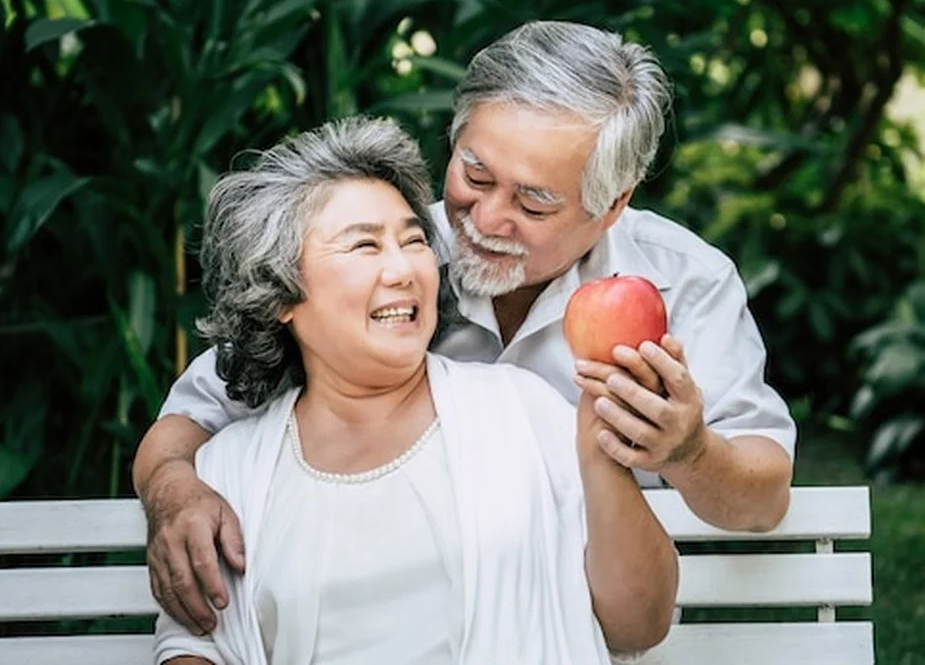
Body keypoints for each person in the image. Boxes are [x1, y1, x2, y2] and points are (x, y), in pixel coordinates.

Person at [134, 20, 796, 636]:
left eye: (534, 200)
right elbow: (192, 417)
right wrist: (172, 488)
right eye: (474, 173)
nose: (485, 217)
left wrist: (688, 452)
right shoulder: (393, 264)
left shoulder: (684, 281)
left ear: (613, 205)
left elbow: (762, 495)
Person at [153, 117, 678, 664]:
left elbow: (641, 624)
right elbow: (193, 647)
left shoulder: (523, 410)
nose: (404, 269)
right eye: (364, 246)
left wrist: (600, 455)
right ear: (282, 291)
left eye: (412, 241)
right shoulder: (230, 471)